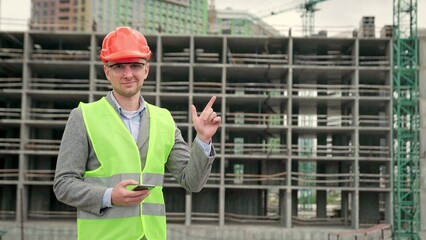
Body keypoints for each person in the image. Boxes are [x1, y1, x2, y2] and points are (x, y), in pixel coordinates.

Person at [53, 26, 221, 240]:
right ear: (107, 71)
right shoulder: (83, 116)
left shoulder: (164, 119)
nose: (128, 73)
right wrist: (109, 196)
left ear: (146, 70)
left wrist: (203, 139)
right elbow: (63, 184)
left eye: (135, 65)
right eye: (119, 66)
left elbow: (192, 182)